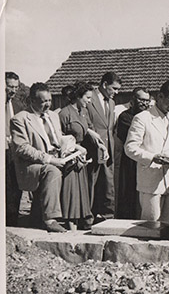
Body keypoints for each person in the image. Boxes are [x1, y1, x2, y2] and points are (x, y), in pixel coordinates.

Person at [124, 80, 169, 224]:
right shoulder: (142, 118)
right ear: (159, 96)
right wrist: (152, 157)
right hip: (150, 182)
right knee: (151, 225)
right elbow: (130, 147)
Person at [10, 83, 67, 232]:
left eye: (49, 100)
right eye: (43, 101)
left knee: (77, 167)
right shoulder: (20, 119)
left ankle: (71, 217)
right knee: (52, 171)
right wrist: (49, 159)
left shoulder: (53, 116)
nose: (47, 104)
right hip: (31, 165)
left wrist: (75, 149)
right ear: (32, 101)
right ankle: (50, 219)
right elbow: (22, 148)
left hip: (56, 158)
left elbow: (59, 139)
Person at [59, 82, 107, 230]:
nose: (89, 101)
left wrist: (100, 145)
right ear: (78, 97)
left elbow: (87, 131)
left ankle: (81, 222)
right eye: (87, 97)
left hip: (80, 158)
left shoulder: (82, 112)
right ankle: (70, 223)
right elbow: (58, 138)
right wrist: (76, 148)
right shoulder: (64, 113)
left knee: (82, 191)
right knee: (71, 191)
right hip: (69, 158)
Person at [86, 71, 121, 222]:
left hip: (109, 149)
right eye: (114, 88)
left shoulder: (111, 102)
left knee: (108, 184)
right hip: (92, 147)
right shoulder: (89, 98)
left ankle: (107, 216)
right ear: (104, 84)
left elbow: (110, 127)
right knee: (91, 183)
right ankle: (87, 215)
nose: (116, 92)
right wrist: (97, 142)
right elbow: (86, 122)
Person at [116, 87, 151, 219]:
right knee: (129, 194)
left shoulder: (150, 117)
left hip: (147, 161)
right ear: (133, 100)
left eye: (147, 100)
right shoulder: (125, 117)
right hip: (130, 162)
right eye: (141, 99)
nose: (145, 103)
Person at [5, 72, 25, 226]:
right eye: (9, 86)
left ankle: (12, 222)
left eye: (15, 87)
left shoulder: (18, 105)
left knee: (15, 187)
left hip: (14, 153)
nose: (12, 90)